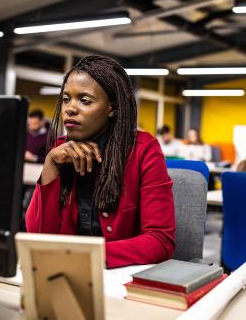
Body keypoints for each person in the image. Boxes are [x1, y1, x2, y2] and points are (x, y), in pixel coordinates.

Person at [25, 55, 175, 268]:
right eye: (66, 99)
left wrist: (84, 256)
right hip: (64, 273)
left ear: (112, 107)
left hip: (118, 279)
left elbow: (160, 241)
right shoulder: (60, 151)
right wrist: (50, 164)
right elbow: (38, 236)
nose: (70, 108)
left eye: (84, 100)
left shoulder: (143, 150)